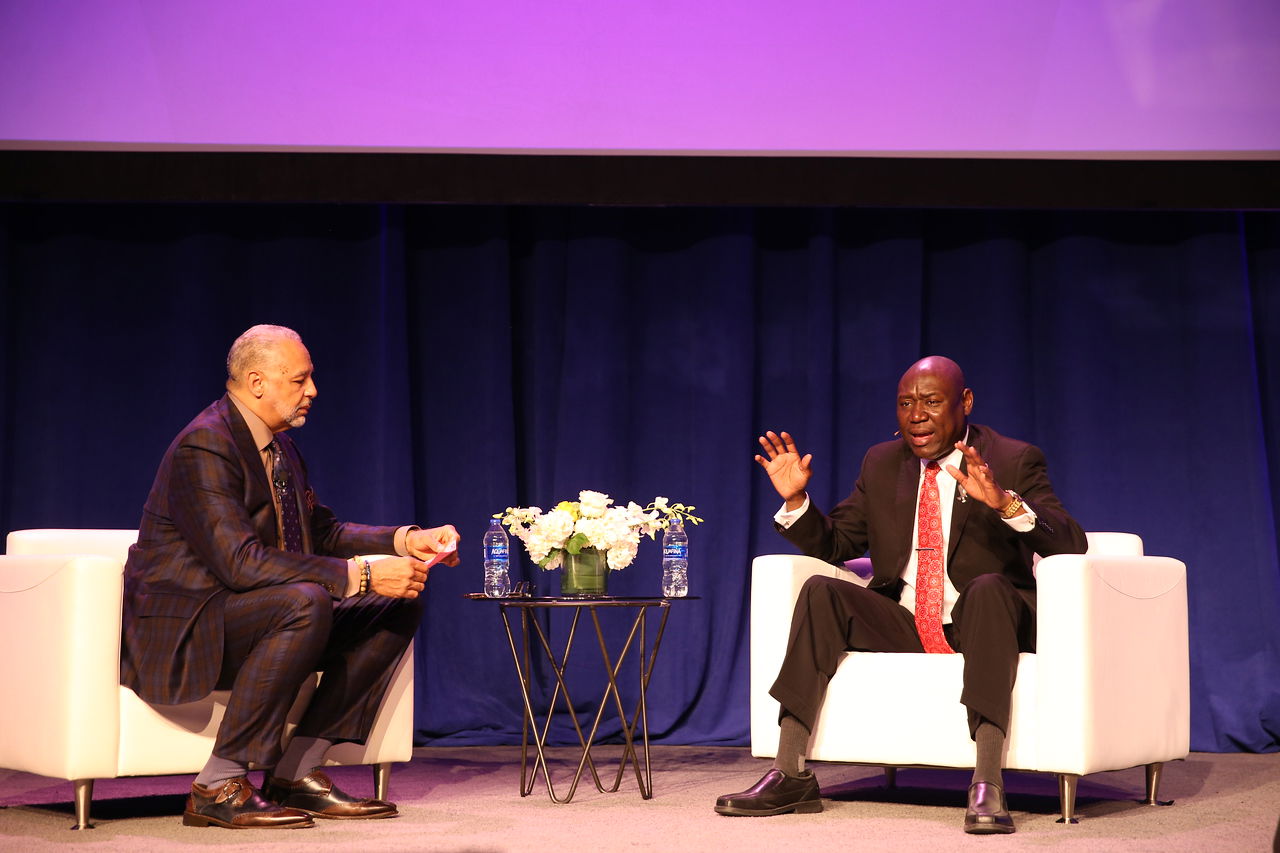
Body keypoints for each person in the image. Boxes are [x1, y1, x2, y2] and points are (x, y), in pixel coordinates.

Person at [715, 356, 1086, 834]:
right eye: (906, 404)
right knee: (821, 591)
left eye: (932, 402)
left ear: (965, 402)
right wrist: (795, 503)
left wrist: (1005, 502)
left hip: (986, 618)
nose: (916, 415)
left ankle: (987, 782)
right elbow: (837, 543)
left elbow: (1070, 543)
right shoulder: (882, 462)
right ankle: (790, 772)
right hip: (909, 620)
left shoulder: (1012, 458)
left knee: (990, 587)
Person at [120, 324, 460, 829]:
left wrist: (404, 541)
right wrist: (363, 576)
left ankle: (295, 772)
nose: (313, 391)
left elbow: (321, 531)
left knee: (397, 601)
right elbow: (241, 561)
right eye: (300, 380)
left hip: (255, 617)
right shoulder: (205, 447)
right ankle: (218, 784)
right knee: (306, 600)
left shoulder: (279, 448)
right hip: (190, 630)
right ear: (257, 383)